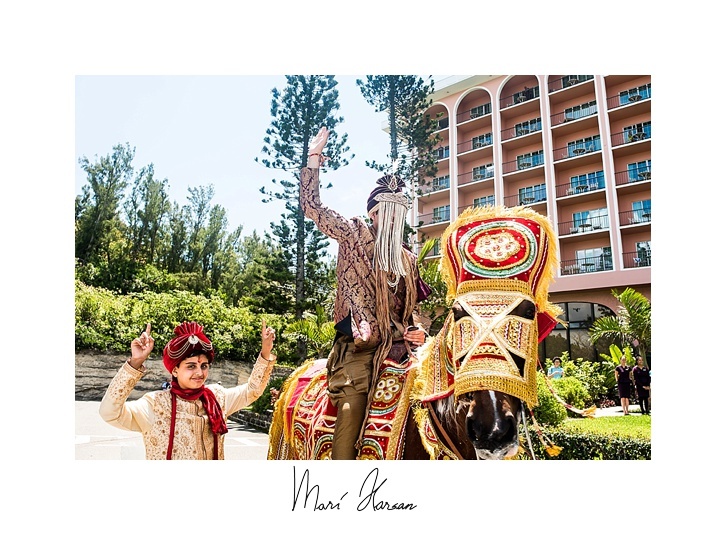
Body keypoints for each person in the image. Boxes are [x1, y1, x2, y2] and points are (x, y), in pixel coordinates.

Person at [300, 126, 430, 460]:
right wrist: (314, 159)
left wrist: (417, 330)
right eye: (388, 213)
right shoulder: (353, 233)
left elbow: (412, 312)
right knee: (352, 410)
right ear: (373, 214)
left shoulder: (408, 259)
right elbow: (313, 207)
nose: (394, 221)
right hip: (358, 351)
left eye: (399, 215)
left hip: (401, 349)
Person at [99, 319, 276, 459]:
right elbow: (109, 413)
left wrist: (266, 351)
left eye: (204, 366)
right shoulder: (155, 404)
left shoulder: (217, 397)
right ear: (175, 370)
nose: (199, 373)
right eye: (191, 366)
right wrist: (135, 362)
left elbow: (252, 391)